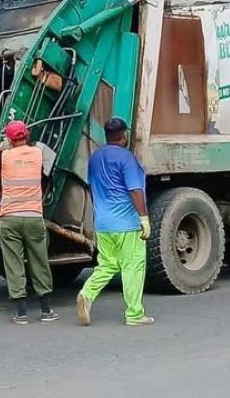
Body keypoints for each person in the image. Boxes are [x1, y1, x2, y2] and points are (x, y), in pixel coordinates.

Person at [76, 117, 155, 327]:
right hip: (126, 223)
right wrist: (144, 218)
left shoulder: (95, 158)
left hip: (103, 222)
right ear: (124, 136)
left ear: (106, 135)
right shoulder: (127, 159)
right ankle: (134, 314)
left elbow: (92, 189)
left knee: (107, 264)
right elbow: (135, 190)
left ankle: (87, 293)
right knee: (133, 266)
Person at [0, 120, 59, 325]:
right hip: (34, 217)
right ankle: (46, 310)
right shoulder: (37, 153)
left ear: (9, 139)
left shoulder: (4, 156)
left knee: (14, 263)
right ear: (26, 135)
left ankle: (21, 313)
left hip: (10, 218)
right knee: (40, 262)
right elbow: (48, 174)